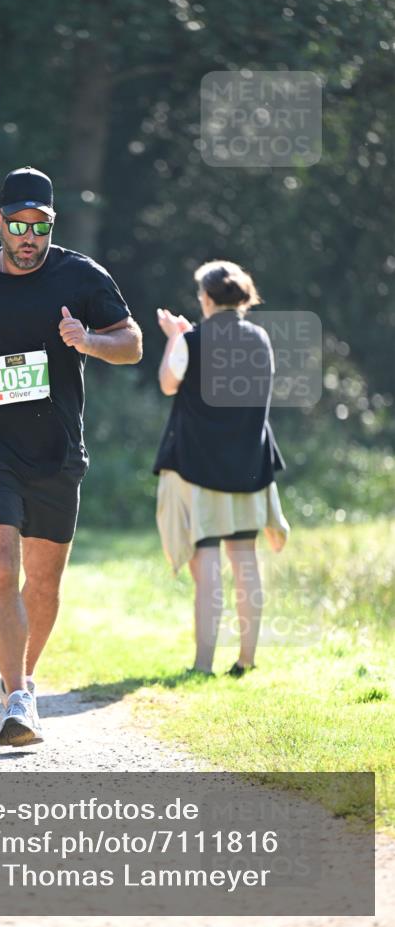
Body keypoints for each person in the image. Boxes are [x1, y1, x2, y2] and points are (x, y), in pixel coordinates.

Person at [0, 167, 142, 745]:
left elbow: (133, 342)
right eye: (18, 225)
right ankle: (18, 696)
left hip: (56, 451)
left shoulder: (80, 275)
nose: (28, 238)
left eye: (39, 227)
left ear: (51, 226)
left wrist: (89, 341)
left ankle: (23, 680)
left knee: (42, 582)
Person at [153, 260, 289, 677]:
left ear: (208, 299)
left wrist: (175, 338)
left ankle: (202, 665)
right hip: (250, 467)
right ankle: (246, 660)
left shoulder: (192, 340)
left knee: (207, 566)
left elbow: (167, 384)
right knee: (246, 562)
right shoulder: (261, 339)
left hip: (198, 469)